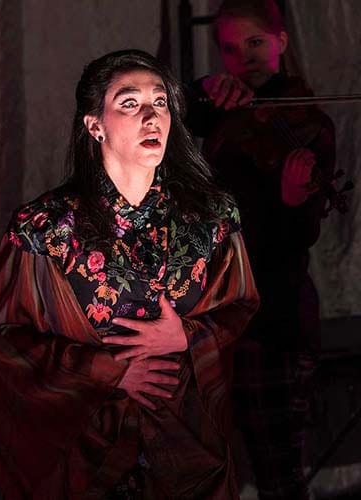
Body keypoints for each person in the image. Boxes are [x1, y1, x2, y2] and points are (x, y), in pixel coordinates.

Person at [0, 49, 259, 499]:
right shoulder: (46, 227)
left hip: (188, 450)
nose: (151, 116)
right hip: (88, 456)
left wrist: (187, 336)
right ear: (95, 126)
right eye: (130, 103)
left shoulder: (211, 216)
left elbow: (241, 305)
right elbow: (4, 337)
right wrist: (109, 371)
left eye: (160, 101)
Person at [186, 1, 336, 499]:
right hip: (217, 315)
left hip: (274, 319)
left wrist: (293, 204)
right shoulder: (220, 112)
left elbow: (296, 240)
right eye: (231, 49)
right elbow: (161, 112)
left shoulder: (310, 126)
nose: (244, 58)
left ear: (281, 42)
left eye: (255, 42)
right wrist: (202, 89)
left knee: (279, 478)